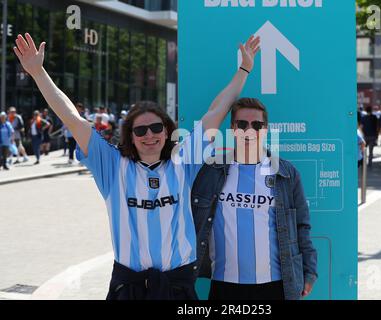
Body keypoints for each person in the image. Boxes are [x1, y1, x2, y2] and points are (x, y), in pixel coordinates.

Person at [13, 32, 260, 300]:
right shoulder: (112, 166)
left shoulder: (183, 162)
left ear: (167, 132)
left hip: (178, 285)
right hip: (129, 288)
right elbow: (72, 118)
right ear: (130, 136)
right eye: (140, 130)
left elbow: (217, 111)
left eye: (156, 128)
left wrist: (244, 70)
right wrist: (38, 73)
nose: (149, 135)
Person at [192, 97, 318, 299]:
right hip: (225, 285)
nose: (249, 130)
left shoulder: (285, 173)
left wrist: (309, 271)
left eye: (257, 125)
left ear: (265, 129)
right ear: (233, 128)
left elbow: (302, 225)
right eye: (242, 124)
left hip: (276, 285)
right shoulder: (210, 171)